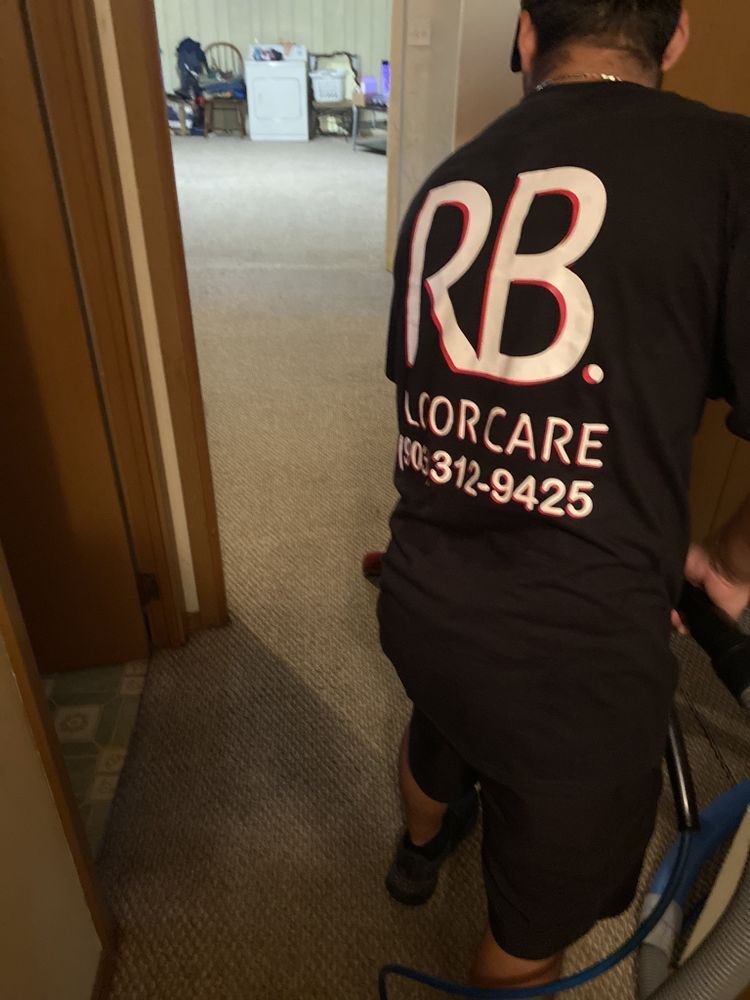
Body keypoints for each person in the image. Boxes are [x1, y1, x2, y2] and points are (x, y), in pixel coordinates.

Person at [377, 0, 750, 990]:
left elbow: (428, 402)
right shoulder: (727, 165)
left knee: (443, 721)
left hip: (421, 597)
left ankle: (417, 854)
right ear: (674, 41)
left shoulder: (446, 184)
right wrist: (727, 562)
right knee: (535, 923)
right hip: (571, 667)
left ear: (527, 39)